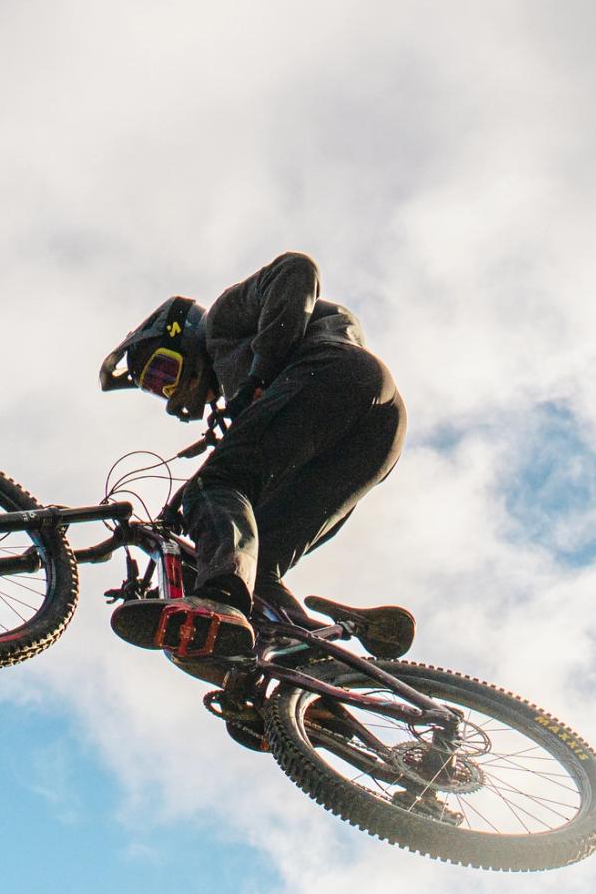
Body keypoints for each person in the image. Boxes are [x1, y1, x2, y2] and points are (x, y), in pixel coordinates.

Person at [99, 252, 407, 670]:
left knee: (218, 485)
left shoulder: (222, 323)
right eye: (156, 389)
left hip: (333, 370)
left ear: (184, 339)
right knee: (259, 566)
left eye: (163, 371)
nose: (171, 393)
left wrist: (259, 376)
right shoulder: (248, 396)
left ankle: (222, 597)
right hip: (375, 435)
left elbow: (297, 269)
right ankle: (315, 683)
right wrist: (184, 505)